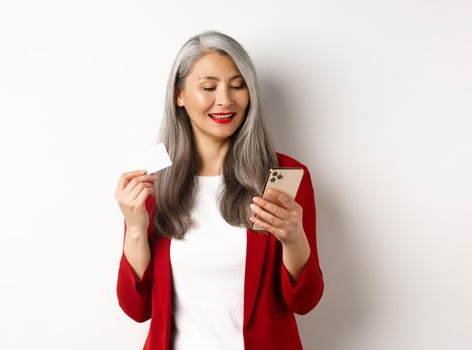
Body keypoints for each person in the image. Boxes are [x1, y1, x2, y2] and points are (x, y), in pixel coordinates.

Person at [115, 30, 324, 350]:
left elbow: (305, 301)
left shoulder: (283, 176)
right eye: (209, 87)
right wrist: (135, 228)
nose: (225, 99)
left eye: (238, 86)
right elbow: (136, 309)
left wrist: (293, 239)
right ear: (179, 95)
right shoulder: (154, 182)